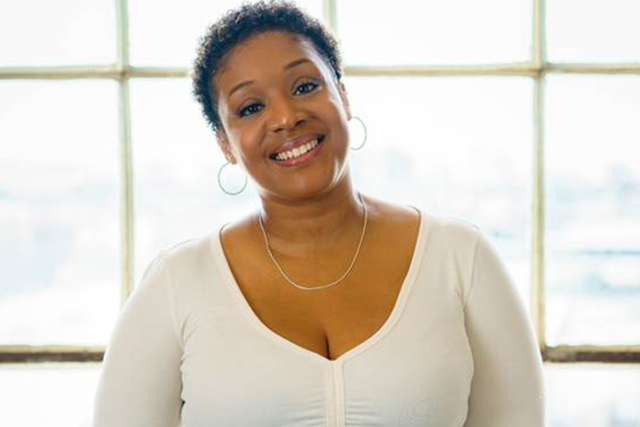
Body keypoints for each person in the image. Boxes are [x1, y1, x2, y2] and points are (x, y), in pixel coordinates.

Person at [92, 1, 545, 426]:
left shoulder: (460, 259)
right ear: (225, 144)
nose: (285, 117)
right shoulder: (177, 284)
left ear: (343, 98)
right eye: (251, 107)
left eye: (305, 87)